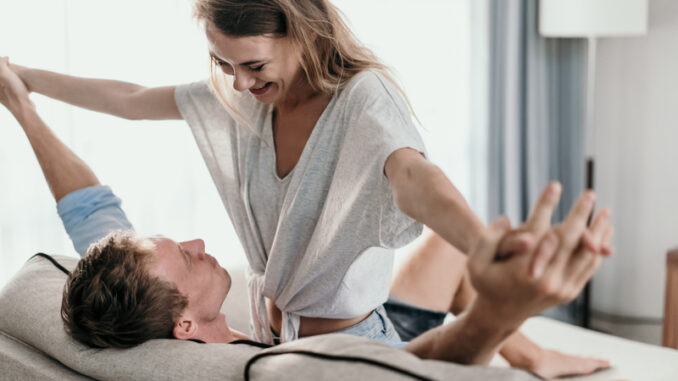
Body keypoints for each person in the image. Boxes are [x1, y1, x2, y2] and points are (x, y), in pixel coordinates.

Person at [1, 56, 612, 377]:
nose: (196, 241)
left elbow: (90, 209)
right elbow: (412, 371)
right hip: (377, 347)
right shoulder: (262, 371)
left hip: (356, 320)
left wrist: (23, 107)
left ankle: (535, 357)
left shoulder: (129, 301)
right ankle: (527, 347)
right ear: (185, 326)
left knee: (451, 247)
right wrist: (500, 310)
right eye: (187, 257)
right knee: (465, 260)